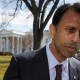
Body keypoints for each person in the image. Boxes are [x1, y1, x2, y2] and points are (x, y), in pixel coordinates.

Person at [3, 3, 80, 80]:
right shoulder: (20, 65)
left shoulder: (78, 68)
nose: (76, 39)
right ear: (53, 31)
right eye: (70, 30)